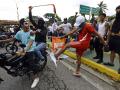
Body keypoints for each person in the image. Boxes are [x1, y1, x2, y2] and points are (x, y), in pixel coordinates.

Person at [104, 5, 120, 73]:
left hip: (119, 39)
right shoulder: (113, 20)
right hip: (113, 38)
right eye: (116, 11)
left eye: (118, 11)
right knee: (112, 50)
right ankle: (111, 62)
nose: (117, 12)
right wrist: (107, 41)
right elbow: (110, 31)